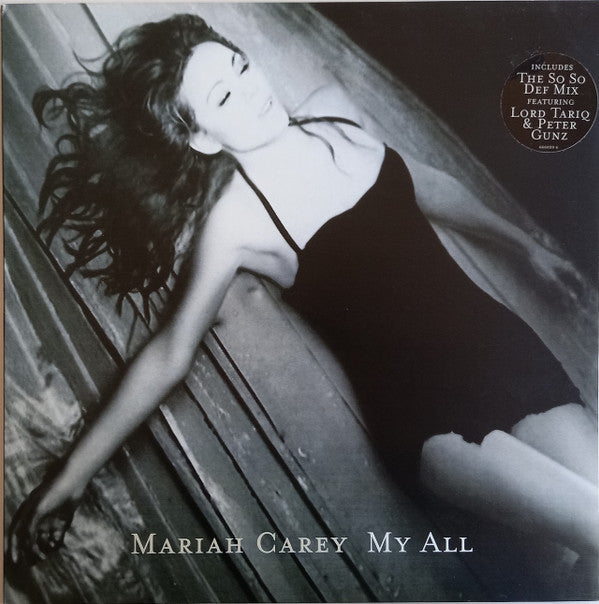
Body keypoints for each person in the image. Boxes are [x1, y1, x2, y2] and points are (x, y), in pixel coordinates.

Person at [7, 13, 598, 566]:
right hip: (429, 417)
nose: (252, 90)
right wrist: (69, 480)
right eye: (224, 98)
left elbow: (428, 185)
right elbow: (169, 353)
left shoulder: (333, 112)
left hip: (503, 352)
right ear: (203, 139)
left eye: (240, 66)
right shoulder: (237, 222)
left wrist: (525, 246)